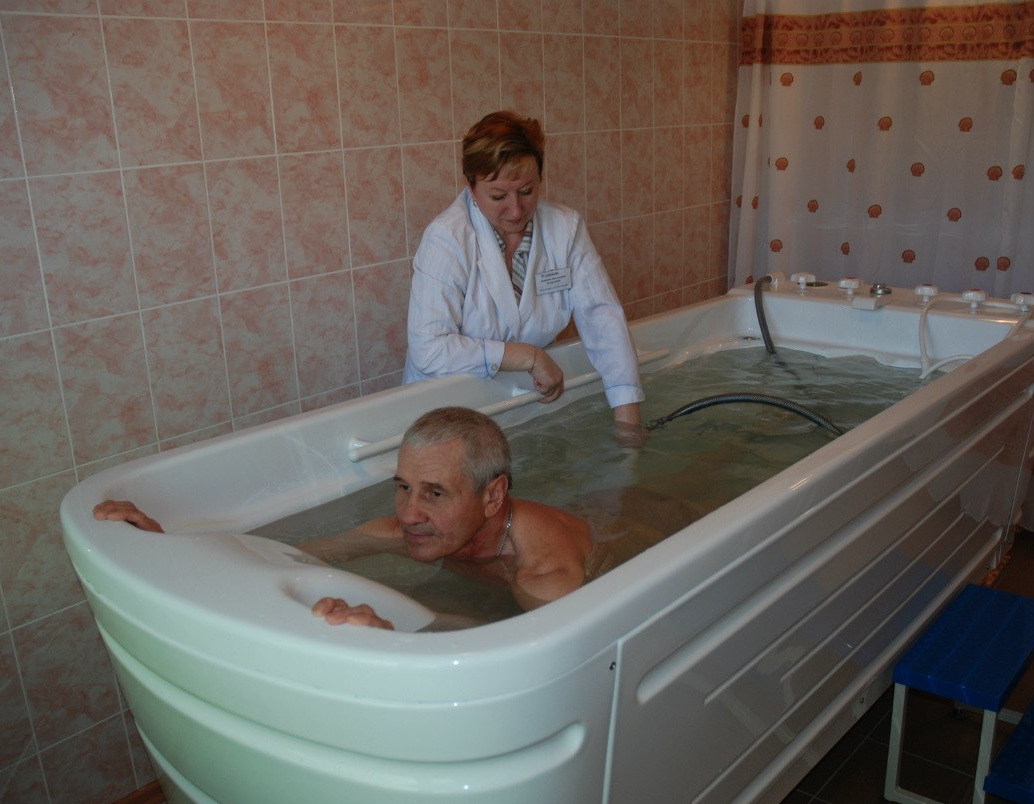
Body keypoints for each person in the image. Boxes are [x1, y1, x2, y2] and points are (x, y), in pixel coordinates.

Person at [93, 407, 594, 631]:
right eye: (402, 487)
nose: (409, 514)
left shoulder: (544, 576)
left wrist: (395, 632)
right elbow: (288, 559)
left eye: (435, 493)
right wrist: (168, 547)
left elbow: (532, 661)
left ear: (493, 496)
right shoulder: (410, 531)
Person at [403, 111, 646, 444]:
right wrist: (528, 356)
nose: (516, 210)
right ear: (471, 186)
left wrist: (628, 424)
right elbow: (428, 349)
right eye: (498, 196)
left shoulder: (565, 228)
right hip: (447, 417)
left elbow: (602, 318)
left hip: (527, 408)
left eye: (527, 191)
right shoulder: (446, 238)